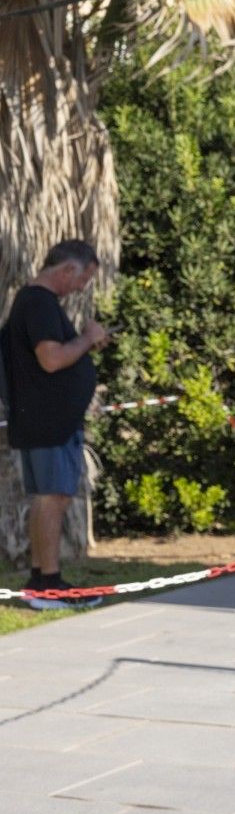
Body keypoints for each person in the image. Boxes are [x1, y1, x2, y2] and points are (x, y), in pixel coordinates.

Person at [1, 241, 109, 610]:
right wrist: (86, 338)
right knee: (53, 497)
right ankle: (48, 586)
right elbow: (51, 359)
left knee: (48, 497)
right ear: (67, 269)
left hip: (43, 421)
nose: (80, 288)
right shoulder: (40, 303)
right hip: (49, 423)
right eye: (83, 279)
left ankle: (40, 578)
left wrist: (84, 347)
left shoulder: (32, 303)